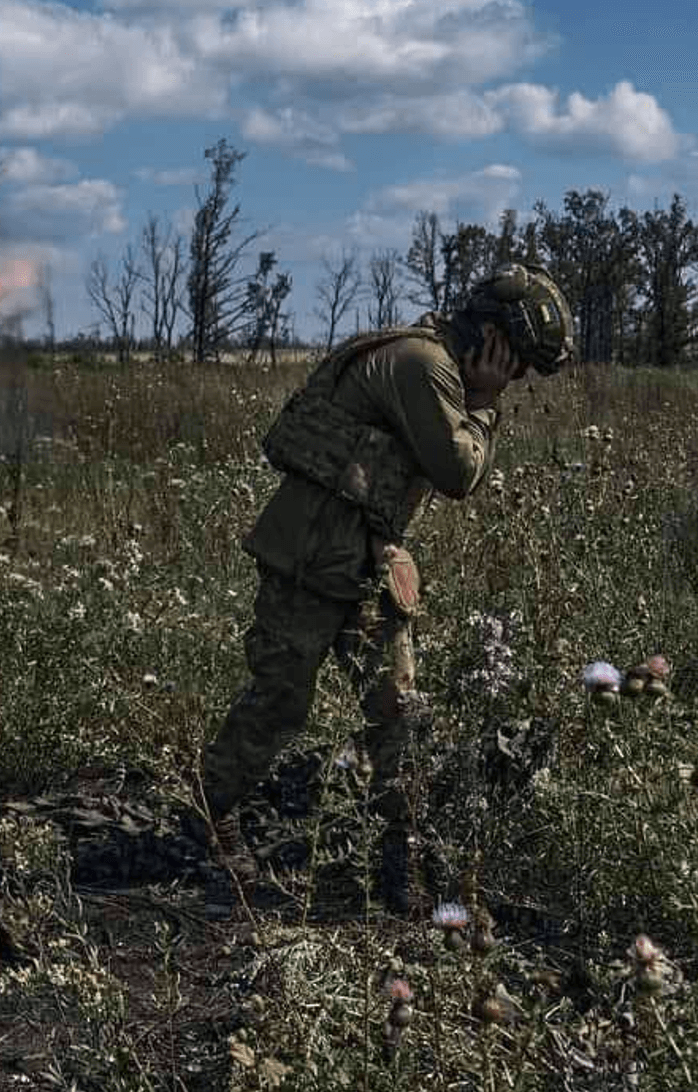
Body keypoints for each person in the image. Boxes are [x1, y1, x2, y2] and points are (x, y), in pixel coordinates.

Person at [185, 263, 575, 915]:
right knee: (280, 699)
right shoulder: (424, 365)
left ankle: (401, 858)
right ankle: (210, 815)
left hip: (367, 562)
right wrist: (482, 409)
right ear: (496, 341)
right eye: (520, 364)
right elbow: (458, 471)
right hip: (310, 556)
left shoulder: (434, 362)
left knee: (398, 712)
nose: (518, 380)